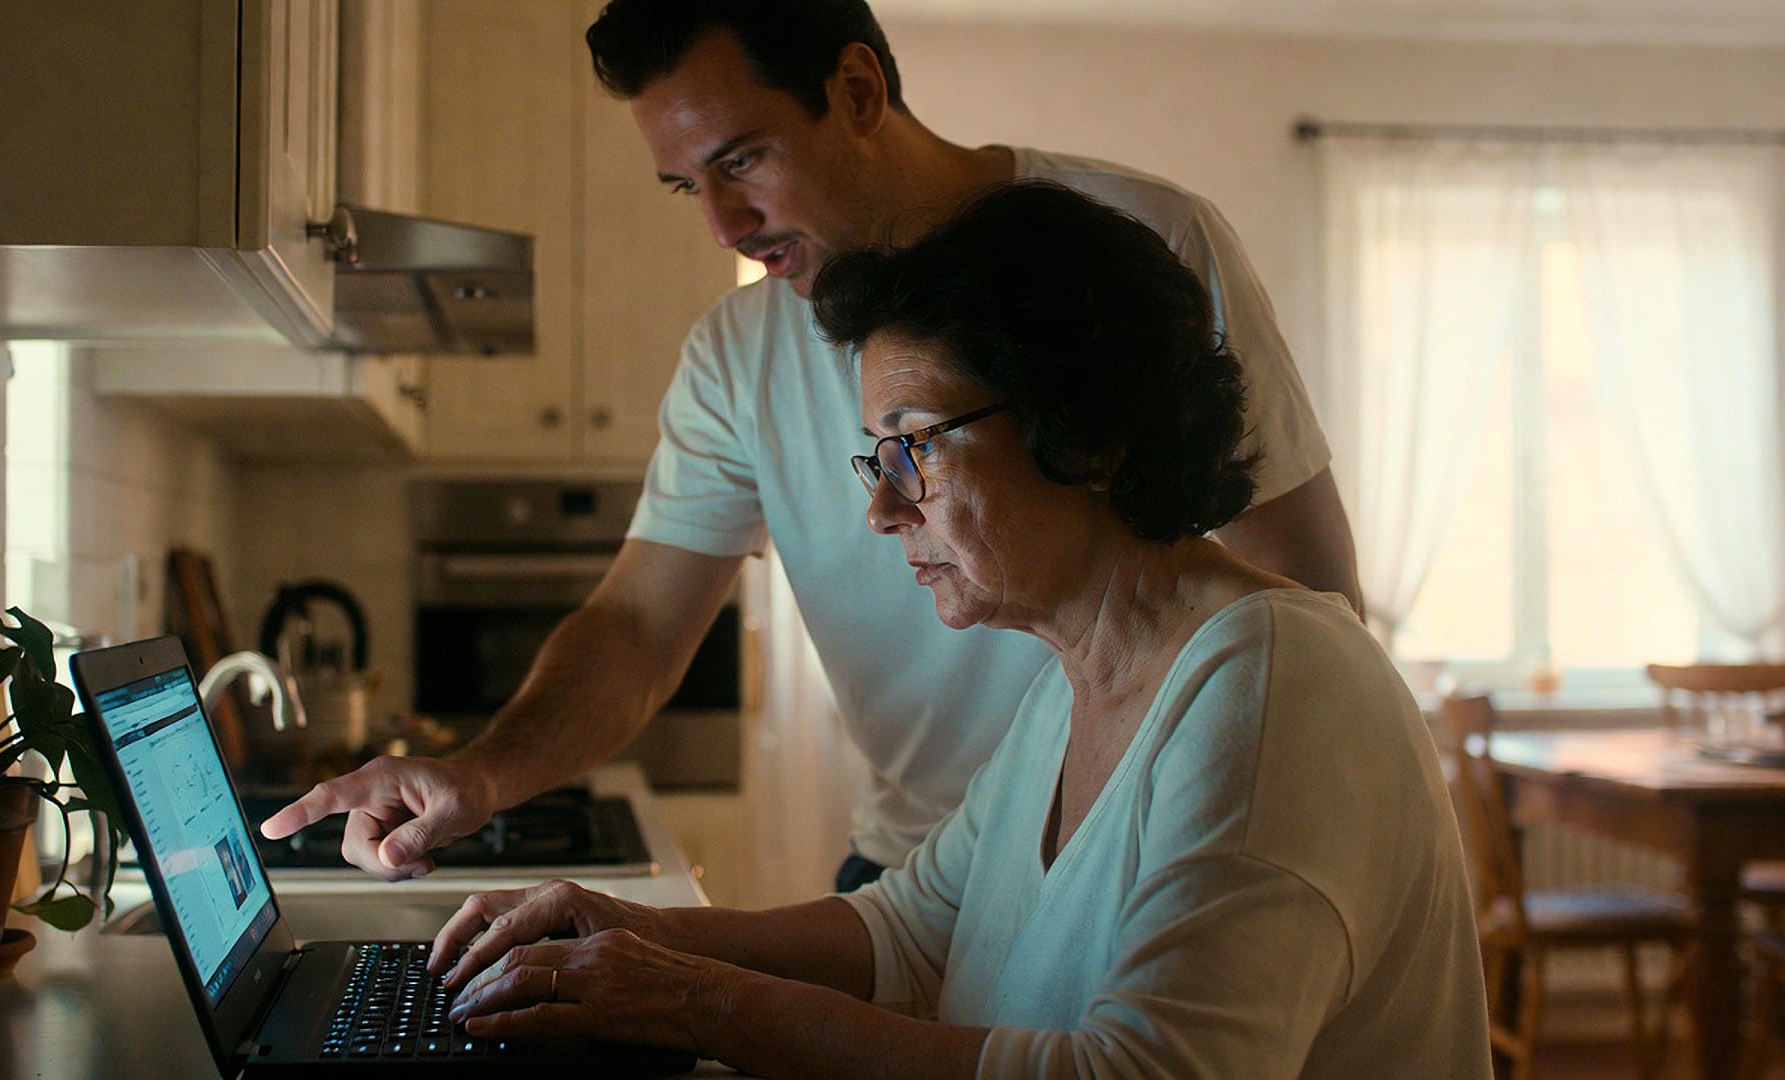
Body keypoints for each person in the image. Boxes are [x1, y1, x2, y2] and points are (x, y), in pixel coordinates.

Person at [261, 0, 1362, 890]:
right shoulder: (736, 353)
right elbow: (641, 627)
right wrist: (482, 774)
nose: (721, 226)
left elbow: (1301, 585)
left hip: (1137, 855)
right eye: (690, 184)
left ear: (858, 91)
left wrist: (1249, 842)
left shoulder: (1144, 243)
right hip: (910, 868)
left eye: (742, 160)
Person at [421, 181, 1491, 1079]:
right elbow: (907, 935)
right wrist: (634, 931)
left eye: (913, 445)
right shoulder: (1075, 684)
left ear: (1091, 432)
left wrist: (699, 1004)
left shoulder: (1272, 684)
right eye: (875, 456)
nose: (883, 509)